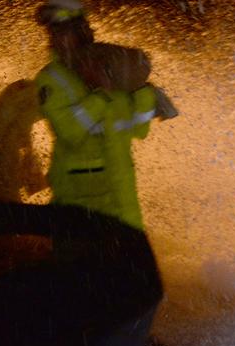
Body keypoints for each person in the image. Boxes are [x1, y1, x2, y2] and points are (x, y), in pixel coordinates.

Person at [34, 0, 177, 230]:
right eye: (56, 33)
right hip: (77, 202)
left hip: (121, 197)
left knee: (128, 264)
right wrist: (102, 93)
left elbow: (138, 130)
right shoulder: (51, 79)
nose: (61, 40)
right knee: (80, 265)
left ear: (82, 31)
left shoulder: (107, 66)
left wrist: (144, 95)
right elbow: (70, 131)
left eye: (68, 32)